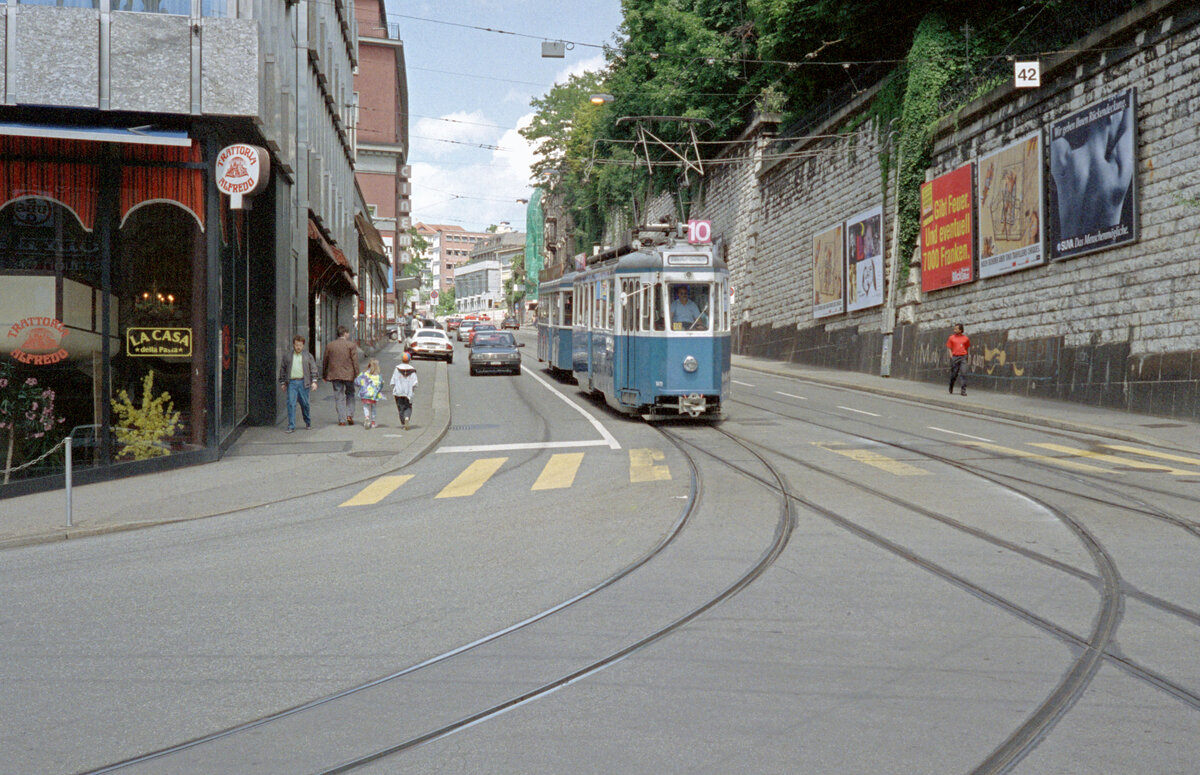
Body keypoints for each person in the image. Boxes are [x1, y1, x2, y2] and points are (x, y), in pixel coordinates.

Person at [278, 335, 319, 433]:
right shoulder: (287, 356)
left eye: (300, 345)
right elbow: (283, 369)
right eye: (296, 345)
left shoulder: (308, 356)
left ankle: (307, 421)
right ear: (293, 345)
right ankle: (291, 426)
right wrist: (283, 382)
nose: (298, 347)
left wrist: (314, 381)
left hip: (303, 383)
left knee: (305, 404)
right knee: (291, 404)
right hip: (291, 382)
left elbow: (313, 369)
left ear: (303, 345)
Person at [322, 325, 359, 425]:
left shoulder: (330, 345)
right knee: (350, 394)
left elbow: (325, 361)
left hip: (335, 374)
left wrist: (324, 374)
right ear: (345, 333)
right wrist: (357, 374)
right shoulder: (351, 345)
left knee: (339, 396)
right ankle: (349, 415)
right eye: (348, 333)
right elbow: (355, 361)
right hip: (349, 375)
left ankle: (341, 420)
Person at [390, 353, 418, 429]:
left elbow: (393, 381)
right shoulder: (412, 370)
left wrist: (394, 386)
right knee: (408, 407)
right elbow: (415, 382)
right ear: (409, 360)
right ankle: (407, 417)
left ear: (402, 359)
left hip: (398, 392)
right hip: (408, 392)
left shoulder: (397, 369)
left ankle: (403, 421)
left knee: (400, 407)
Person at [354, 358, 383, 429]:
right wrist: (379, 390)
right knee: (373, 407)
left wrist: (360, 386)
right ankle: (373, 422)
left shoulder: (363, 374)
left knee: (365, 406)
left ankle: (367, 417)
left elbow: (357, 381)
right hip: (373, 395)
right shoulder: (378, 376)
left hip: (364, 394)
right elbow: (381, 384)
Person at [946, 323, 970, 396]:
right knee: (954, 374)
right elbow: (949, 348)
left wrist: (967, 356)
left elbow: (967, 347)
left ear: (960, 330)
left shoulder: (966, 338)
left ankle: (963, 390)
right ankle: (951, 385)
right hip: (955, 357)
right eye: (954, 328)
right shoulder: (951, 338)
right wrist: (951, 356)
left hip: (963, 357)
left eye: (956, 329)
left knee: (963, 373)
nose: (954, 330)